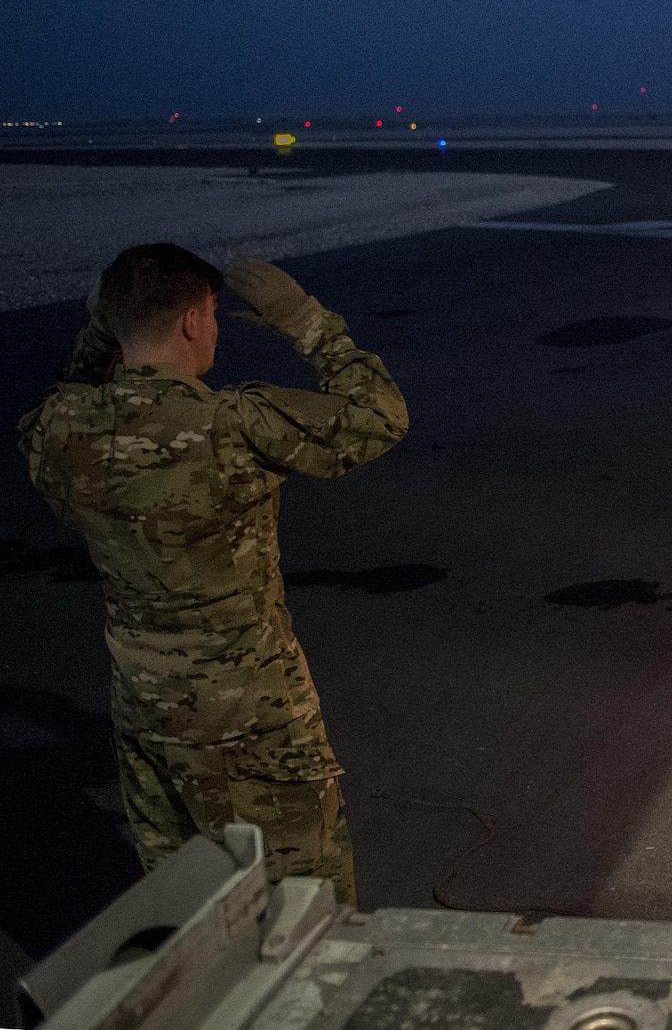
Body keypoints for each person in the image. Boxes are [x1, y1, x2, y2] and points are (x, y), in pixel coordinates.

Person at [18, 245, 408, 903]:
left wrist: (101, 333)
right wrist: (307, 321)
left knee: (191, 917)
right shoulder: (233, 424)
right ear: (194, 322)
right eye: (213, 315)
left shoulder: (62, 430)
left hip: (148, 716)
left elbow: (68, 393)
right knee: (305, 915)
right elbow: (379, 416)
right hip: (254, 720)